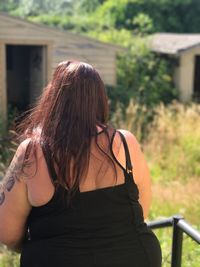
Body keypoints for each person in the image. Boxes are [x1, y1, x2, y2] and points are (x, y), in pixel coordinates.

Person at [0, 61, 162, 267]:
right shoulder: (125, 142)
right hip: (135, 256)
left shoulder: (32, 151)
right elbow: (141, 211)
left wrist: (48, 245)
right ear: (100, 99)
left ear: (53, 99)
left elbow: (7, 232)